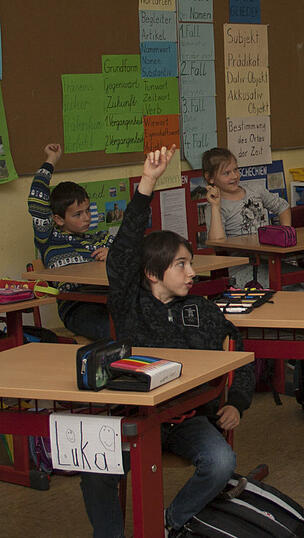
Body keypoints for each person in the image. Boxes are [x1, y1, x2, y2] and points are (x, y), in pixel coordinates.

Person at [80, 147, 254, 537]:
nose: (192, 272)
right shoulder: (130, 303)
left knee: (221, 462)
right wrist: (148, 184)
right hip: (133, 419)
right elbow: (123, 252)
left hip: (187, 419)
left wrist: (238, 402)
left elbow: (240, 351)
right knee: (95, 471)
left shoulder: (202, 310)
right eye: (182, 265)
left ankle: (168, 523)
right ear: (152, 274)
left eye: (191, 263)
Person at [27, 143, 113, 340]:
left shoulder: (101, 238)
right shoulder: (49, 239)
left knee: (149, 320)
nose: (85, 218)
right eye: (77, 214)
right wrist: (51, 160)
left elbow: (134, 250)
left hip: (110, 299)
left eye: (87, 211)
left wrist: (114, 254)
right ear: (58, 219)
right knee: (115, 329)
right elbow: (36, 202)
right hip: (77, 307)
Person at [203, 147, 291, 288]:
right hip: (242, 269)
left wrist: (285, 233)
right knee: (291, 288)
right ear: (210, 178)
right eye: (226, 173)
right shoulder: (214, 208)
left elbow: (283, 207)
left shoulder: (255, 189)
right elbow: (217, 243)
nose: (234, 176)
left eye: (236, 170)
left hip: (271, 260)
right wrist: (215, 206)